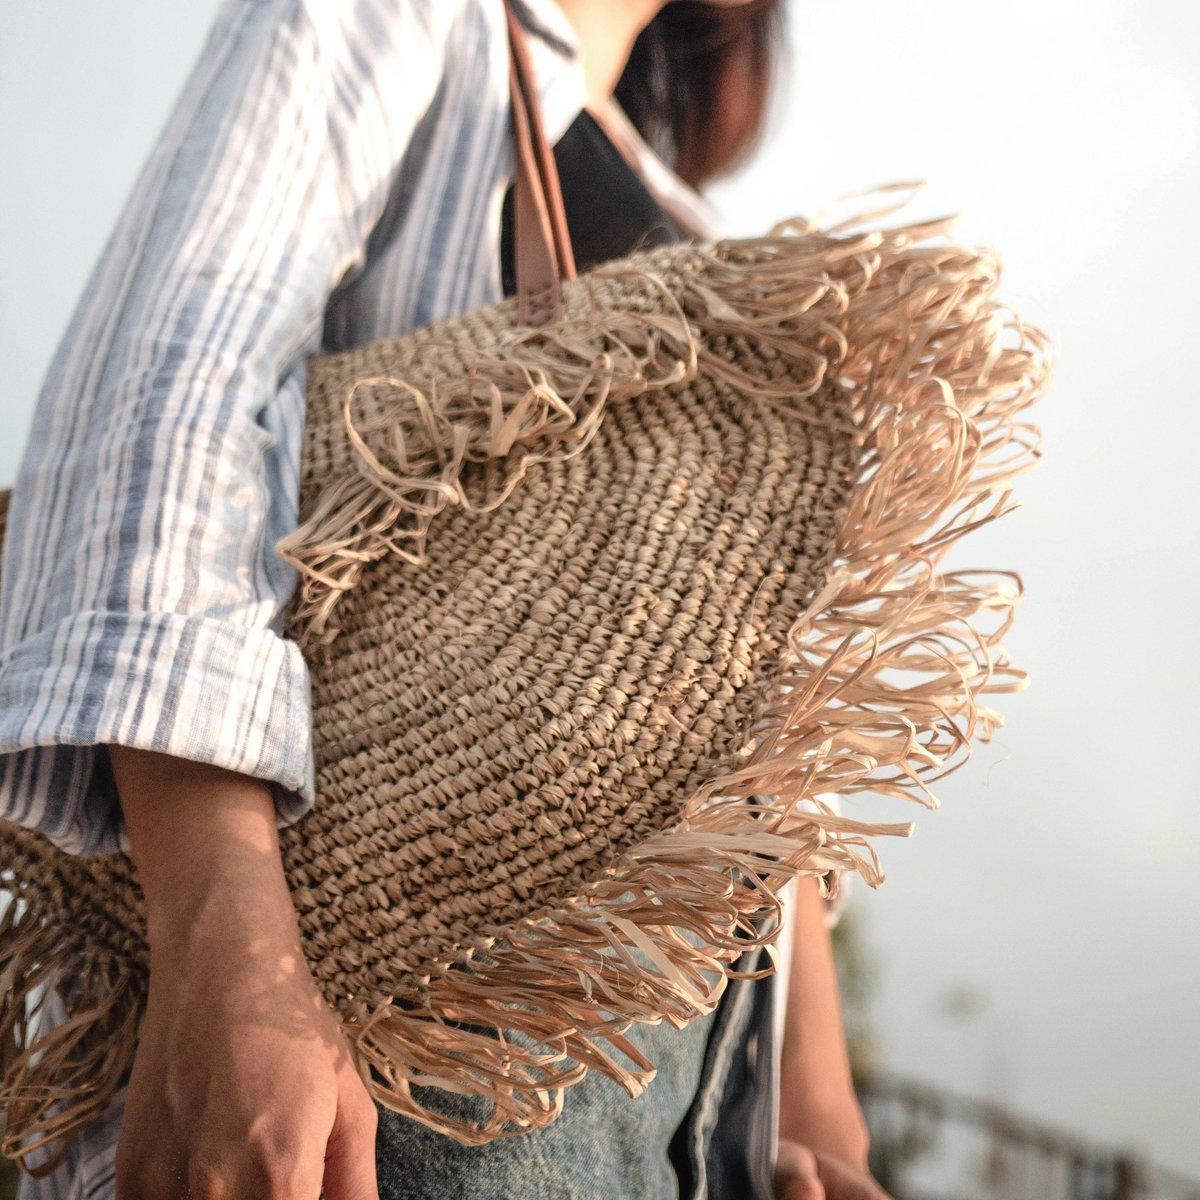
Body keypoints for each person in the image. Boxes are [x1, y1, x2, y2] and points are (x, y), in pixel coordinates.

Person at [0, 1, 890, 1197]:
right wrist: (233, 957)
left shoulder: (701, 232)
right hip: (404, 1047)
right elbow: (167, 397)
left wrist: (819, 1126)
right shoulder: (407, 17)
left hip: (695, 1096)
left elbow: (763, 740)